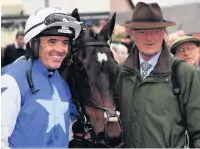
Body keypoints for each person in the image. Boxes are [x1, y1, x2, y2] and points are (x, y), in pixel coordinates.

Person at [116, 2, 200, 148]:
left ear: (163, 32)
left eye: (155, 31)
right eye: (142, 31)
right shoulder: (119, 74)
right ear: (132, 33)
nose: (149, 38)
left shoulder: (185, 74)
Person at [1, 7, 82, 148]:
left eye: (65, 42)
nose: (60, 49)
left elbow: (66, 135)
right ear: (33, 43)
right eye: (52, 41)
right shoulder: (11, 80)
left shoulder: (62, 83)